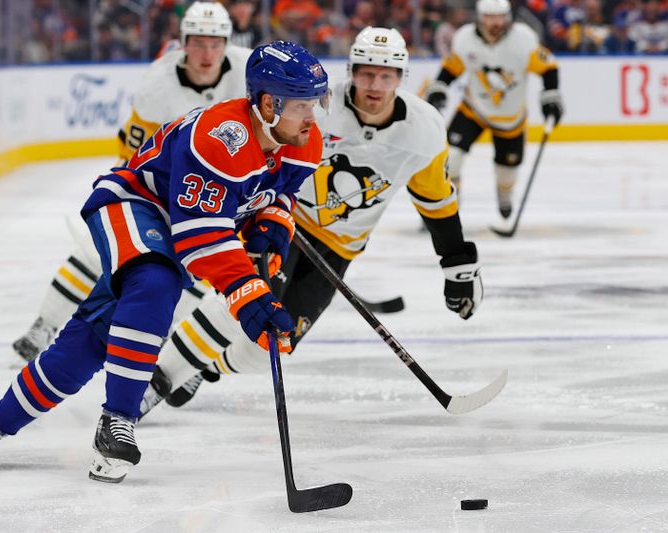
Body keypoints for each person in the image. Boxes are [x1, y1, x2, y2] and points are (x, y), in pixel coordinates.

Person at [0, 41, 331, 484]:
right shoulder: (220, 139)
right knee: (156, 281)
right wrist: (249, 297)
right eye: (303, 106)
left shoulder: (303, 138)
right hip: (134, 207)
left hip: (178, 227)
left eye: (314, 104)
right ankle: (117, 421)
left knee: (89, 341)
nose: (312, 117)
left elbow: (280, 195)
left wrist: (271, 231)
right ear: (269, 104)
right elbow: (200, 238)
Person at [135, 27, 485, 417]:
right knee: (238, 306)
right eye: (367, 73)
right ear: (351, 70)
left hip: (340, 246)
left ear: (401, 78)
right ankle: (155, 383)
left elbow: (436, 200)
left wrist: (458, 266)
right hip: (283, 224)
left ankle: (202, 365)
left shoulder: (424, 130)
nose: (375, 84)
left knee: (273, 344)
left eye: (387, 76)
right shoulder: (314, 104)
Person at [12, 1, 252, 362]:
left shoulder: (249, 70)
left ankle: (159, 340)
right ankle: (45, 324)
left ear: (227, 44)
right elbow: (136, 160)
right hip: (158, 189)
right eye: (199, 43)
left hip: (219, 194)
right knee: (98, 252)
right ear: (184, 42)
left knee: (197, 269)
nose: (207, 53)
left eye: (215, 43)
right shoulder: (158, 87)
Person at [424, 0, 563, 219]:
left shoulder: (524, 39)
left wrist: (551, 96)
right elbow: (452, 67)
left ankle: (504, 194)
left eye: (501, 16)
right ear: (480, 17)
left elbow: (548, 67)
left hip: (511, 117)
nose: (496, 22)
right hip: (473, 109)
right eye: (490, 16)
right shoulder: (465, 38)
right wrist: (439, 87)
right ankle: (448, 203)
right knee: (452, 158)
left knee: (506, 172)